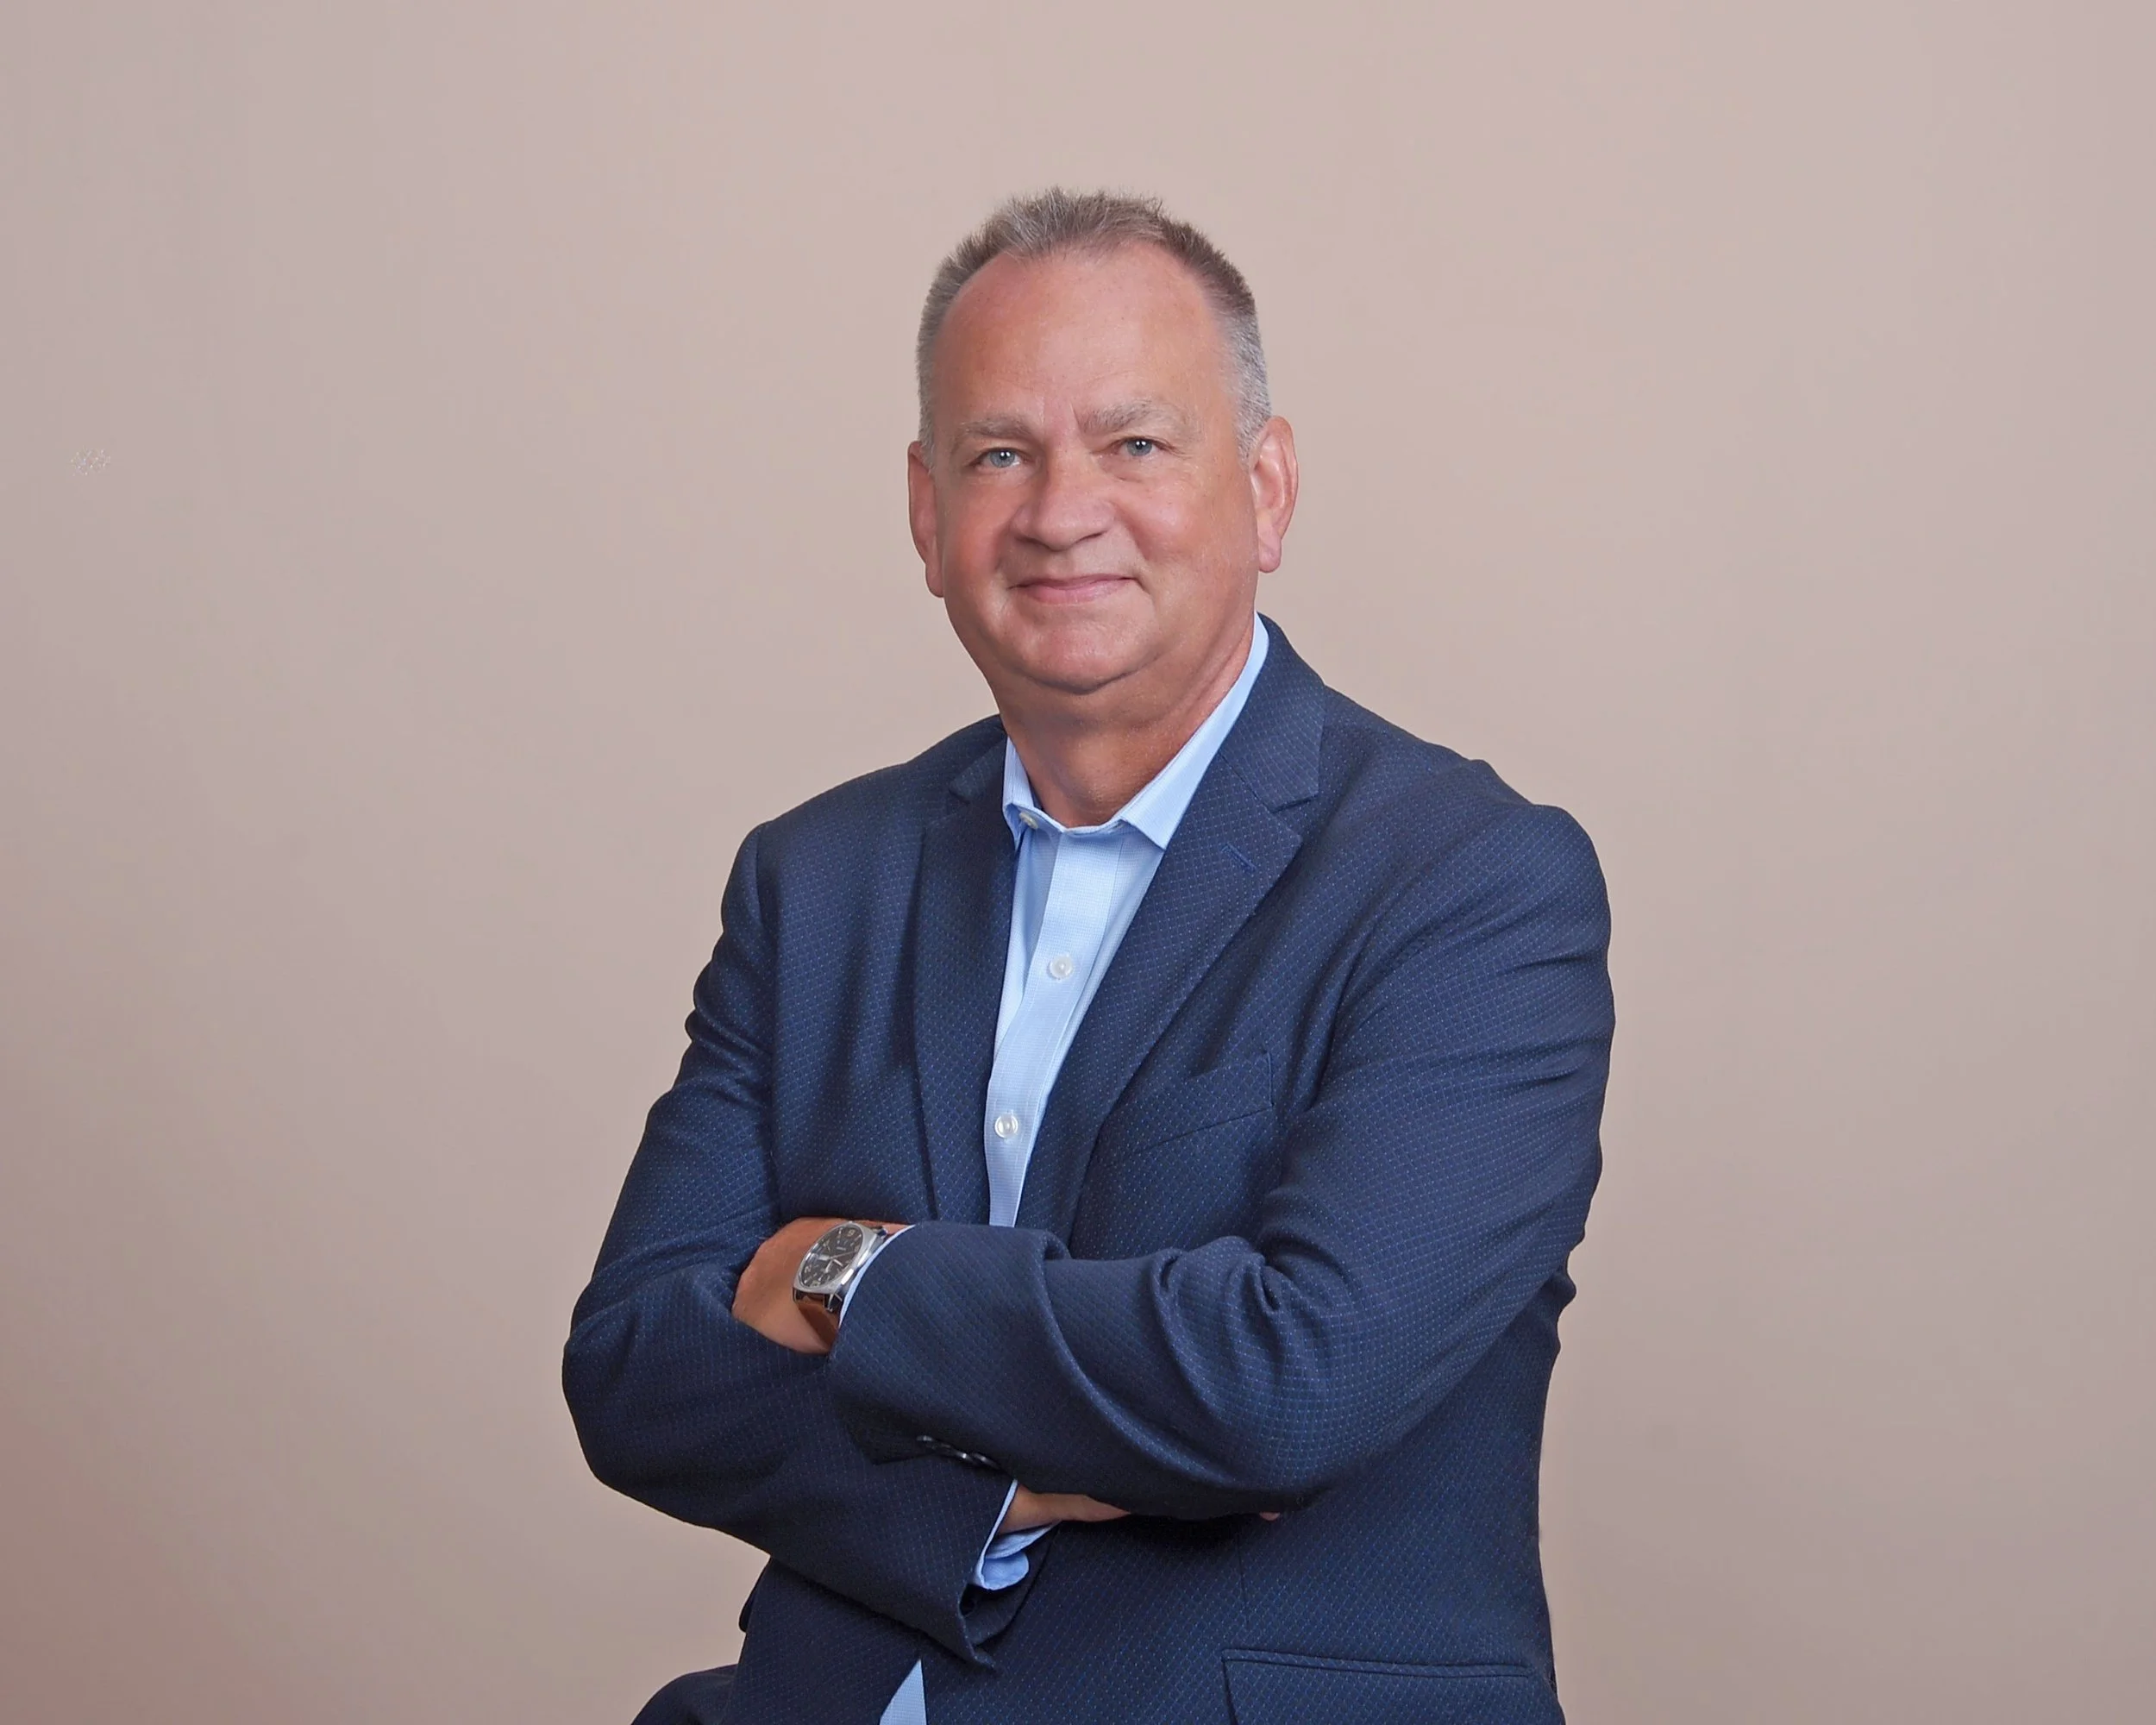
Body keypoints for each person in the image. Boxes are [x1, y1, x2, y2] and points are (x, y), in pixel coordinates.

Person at [564, 189, 1614, 1725]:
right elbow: (637, 1371)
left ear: (1266, 489)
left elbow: (1288, 1383)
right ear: (927, 515)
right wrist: (990, 1496)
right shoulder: (817, 879)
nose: (1062, 512)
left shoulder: (1471, 887)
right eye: (1001, 454)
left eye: (1135, 444)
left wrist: (848, 1275)